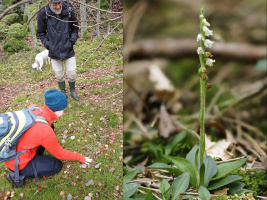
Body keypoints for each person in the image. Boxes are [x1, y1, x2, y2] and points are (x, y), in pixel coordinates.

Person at [5, 89, 92, 187]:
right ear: (57, 110)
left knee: (51, 126)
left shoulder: (33, 108)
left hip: (13, 149)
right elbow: (60, 154)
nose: (64, 112)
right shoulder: (44, 131)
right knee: (57, 165)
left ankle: (34, 156)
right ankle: (21, 173)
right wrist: (81, 157)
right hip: (18, 163)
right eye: (64, 109)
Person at [37, 0, 79, 101]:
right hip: (54, 51)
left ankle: (72, 90)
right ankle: (63, 92)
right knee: (59, 74)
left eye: (59, 3)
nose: (57, 6)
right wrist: (49, 45)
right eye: (54, 4)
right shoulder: (43, 13)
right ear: (49, 2)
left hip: (68, 48)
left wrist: (71, 41)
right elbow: (41, 33)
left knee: (72, 73)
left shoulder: (68, 10)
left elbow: (75, 28)